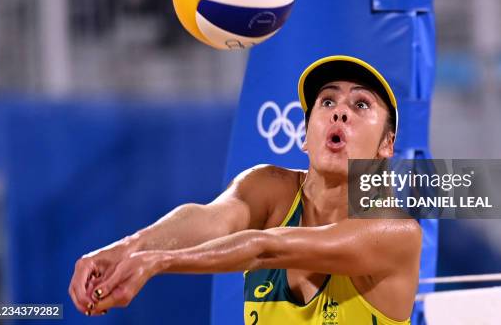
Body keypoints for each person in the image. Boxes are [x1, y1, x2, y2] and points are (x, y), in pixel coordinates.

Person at [69, 55, 421, 324]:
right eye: (327, 101)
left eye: (361, 105)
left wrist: (157, 261)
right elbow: (211, 218)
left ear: (386, 144)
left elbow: (265, 248)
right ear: (305, 133)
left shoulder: (395, 232)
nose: (339, 112)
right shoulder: (268, 187)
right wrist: (130, 246)